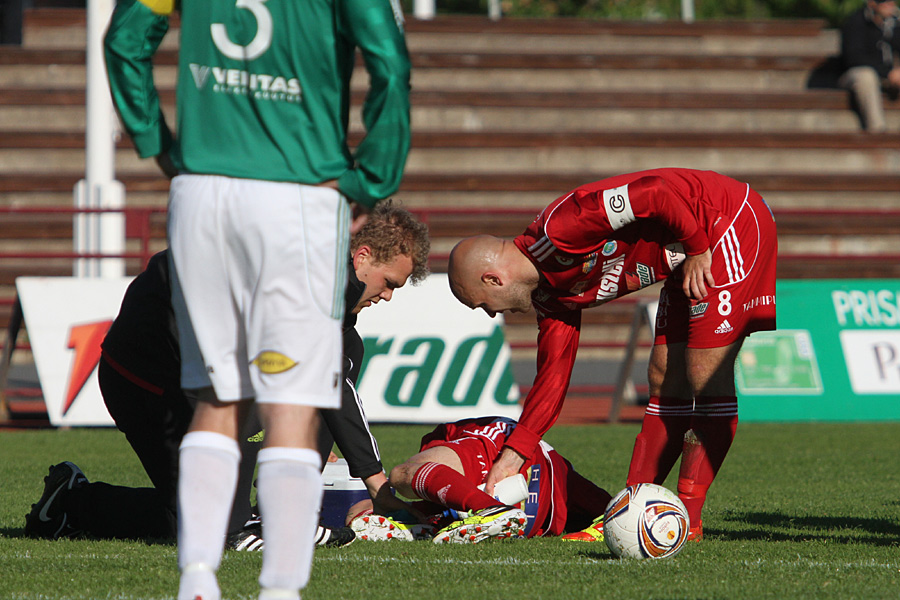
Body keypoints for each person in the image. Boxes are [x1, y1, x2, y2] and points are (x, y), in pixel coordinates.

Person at [104, 0, 410, 597]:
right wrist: (372, 179)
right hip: (300, 189)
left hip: (205, 192)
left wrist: (155, 140)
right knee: (290, 406)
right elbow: (390, 66)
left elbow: (124, 39)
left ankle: (197, 581)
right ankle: (279, 590)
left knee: (217, 399)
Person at [23, 203, 429, 550]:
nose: (388, 295)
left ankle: (71, 503)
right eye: (389, 282)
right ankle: (258, 520)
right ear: (361, 256)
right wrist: (377, 483)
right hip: (147, 375)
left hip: (187, 372)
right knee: (218, 527)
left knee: (193, 522)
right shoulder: (319, 275)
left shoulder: (320, 270)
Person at [447, 168, 777, 542]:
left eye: (482, 304)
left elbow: (654, 192)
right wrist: (515, 454)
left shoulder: (561, 229)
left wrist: (700, 248)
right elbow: (553, 377)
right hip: (686, 248)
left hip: (724, 222)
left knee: (704, 372)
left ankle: (689, 517)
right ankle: (629, 510)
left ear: (494, 279)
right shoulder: (550, 295)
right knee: (663, 374)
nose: (491, 313)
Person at [363, 416, 612, 544]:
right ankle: (472, 513)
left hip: (500, 451)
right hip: (542, 469)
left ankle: (489, 510)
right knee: (403, 498)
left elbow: (363, 512)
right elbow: (614, 512)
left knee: (401, 474)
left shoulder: (478, 436)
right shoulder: (561, 473)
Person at [839, 0, 900, 132]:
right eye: (884, 1)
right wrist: (888, 73)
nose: (890, 4)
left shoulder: (895, 23)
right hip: (856, 76)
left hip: (886, 75)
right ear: (871, 3)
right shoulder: (855, 21)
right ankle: (877, 131)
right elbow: (854, 58)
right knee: (866, 76)